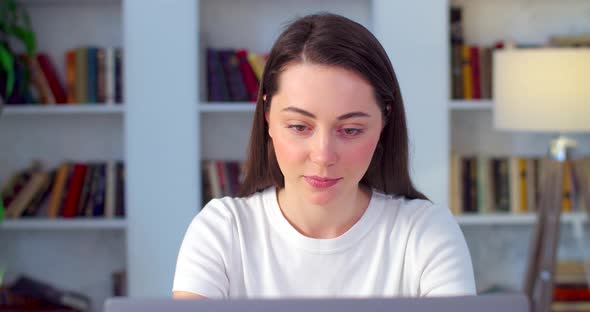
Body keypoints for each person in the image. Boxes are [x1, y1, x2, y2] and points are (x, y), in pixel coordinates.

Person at [172, 13, 476, 299]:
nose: (323, 156)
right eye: (299, 127)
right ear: (267, 115)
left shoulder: (426, 233)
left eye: (351, 130)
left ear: (384, 122)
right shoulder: (222, 231)